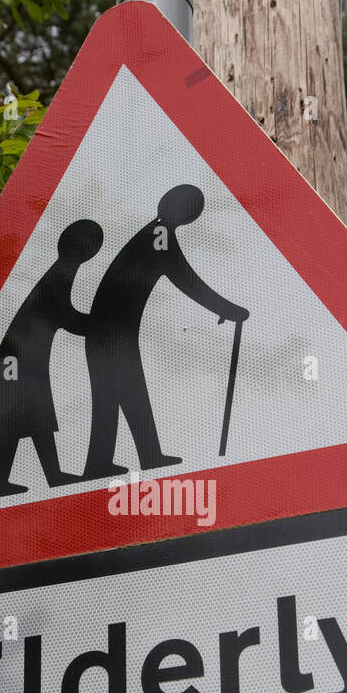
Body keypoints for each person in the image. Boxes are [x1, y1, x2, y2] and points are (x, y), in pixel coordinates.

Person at [81, 185, 248, 480]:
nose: (191, 215)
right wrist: (228, 309)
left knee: (116, 395)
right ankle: (143, 457)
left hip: (109, 330)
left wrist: (226, 309)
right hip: (112, 332)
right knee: (126, 392)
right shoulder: (160, 237)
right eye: (190, 208)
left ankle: (115, 461)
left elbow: (184, 277)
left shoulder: (154, 234)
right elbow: (186, 279)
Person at [0, 219, 103, 497]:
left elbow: (60, 314)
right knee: (21, 418)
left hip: (24, 359)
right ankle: (9, 481)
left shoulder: (61, 270)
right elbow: (63, 315)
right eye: (89, 245)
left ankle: (48, 475)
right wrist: (100, 324)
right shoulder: (61, 272)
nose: (90, 251)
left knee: (32, 418)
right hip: (20, 359)